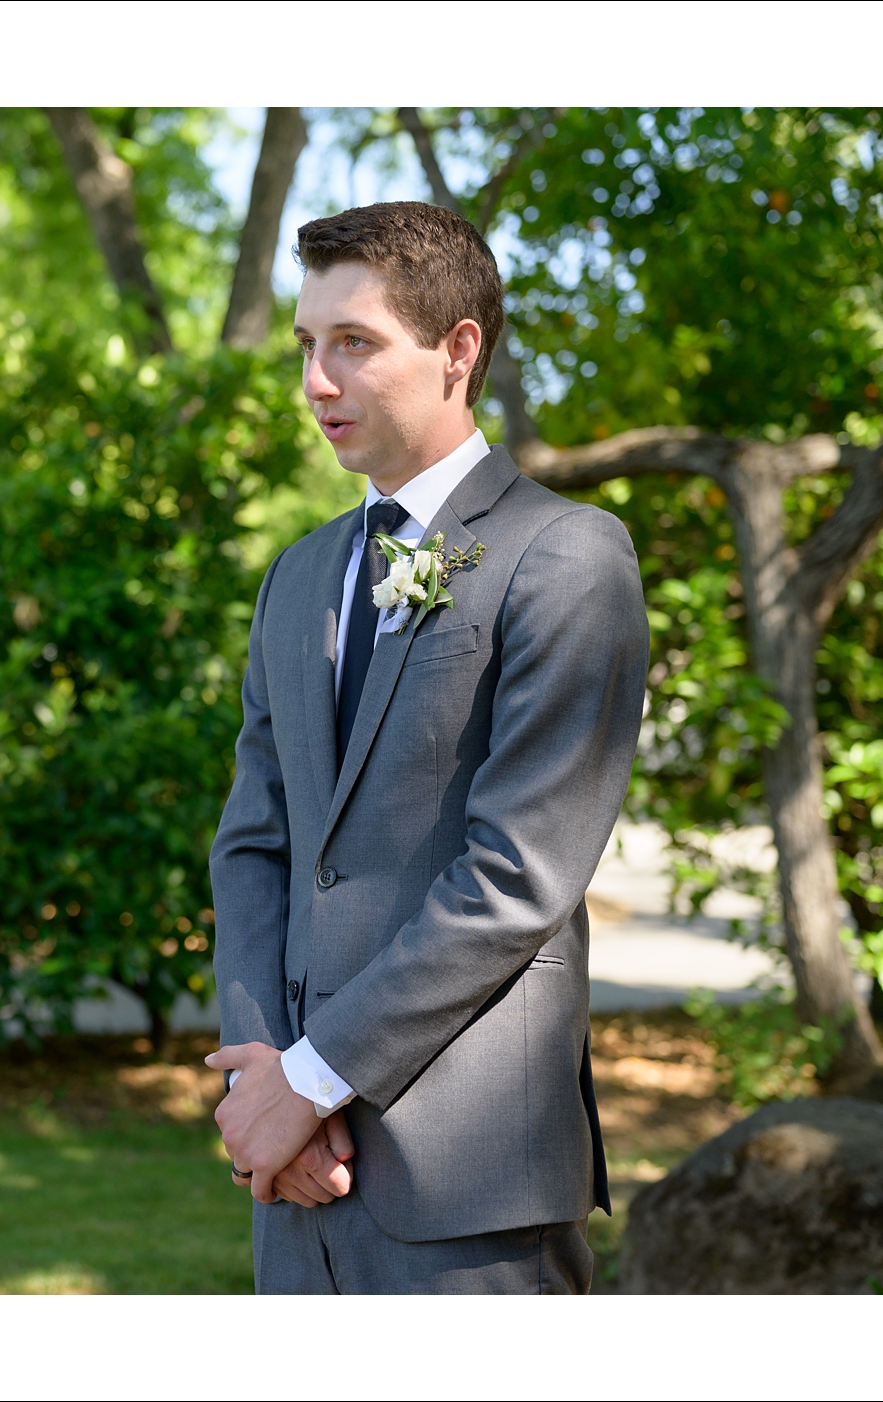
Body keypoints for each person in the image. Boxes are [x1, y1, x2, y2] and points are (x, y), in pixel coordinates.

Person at [206, 202, 649, 1294]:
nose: (315, 380)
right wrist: (266, 1088)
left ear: (458, 351)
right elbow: (254, 846)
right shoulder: (297, 575)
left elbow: (516, 875)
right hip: (296, 1183)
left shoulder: (566, 555)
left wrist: (312, 1081)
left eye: (351, 343)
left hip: (468, 1187)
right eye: (306, 346)